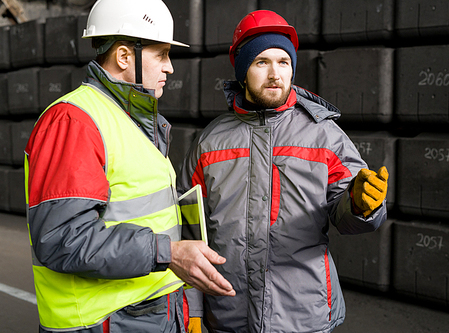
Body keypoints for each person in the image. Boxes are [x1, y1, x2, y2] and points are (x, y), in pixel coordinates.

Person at [23, 0, 234, 332]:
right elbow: (62, 239)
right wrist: (169, 253)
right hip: (105, 322)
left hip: (149, 314)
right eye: (161, 54)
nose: (170, 68)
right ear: (124, 56)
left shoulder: (131, 121)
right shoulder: (74, 122)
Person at [178, 9, 389, 333]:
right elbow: (188, 234)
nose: (275, 73)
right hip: (229, 314)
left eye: (283, 62)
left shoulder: (324, 136)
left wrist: (361, 205)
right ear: (242, 69)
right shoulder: (209, 142)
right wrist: (191, 308)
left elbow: (349, 219)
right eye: (261, 62)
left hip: (303, 314)